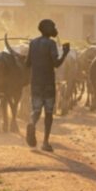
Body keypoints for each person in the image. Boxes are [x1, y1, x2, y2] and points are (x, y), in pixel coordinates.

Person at [25, 19, 69, 152]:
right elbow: (56, 63)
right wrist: (65, 53)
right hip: (48, 83)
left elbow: (27, 64)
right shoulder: (51, 44)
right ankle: (45, 142)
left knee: (36, 110)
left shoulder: (33, 43)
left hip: (35, 83)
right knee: (49, 113)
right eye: (53, 27)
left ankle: (32, 123)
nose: (55, 29)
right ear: (47, 29)